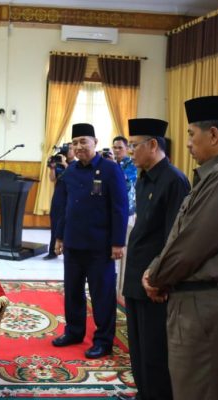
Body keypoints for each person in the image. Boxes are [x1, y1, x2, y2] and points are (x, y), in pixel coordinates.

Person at [143, 96, 218, 400]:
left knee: (199, 392)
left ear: (213, 134)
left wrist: (155, 277)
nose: (187, 144)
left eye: (191, 134)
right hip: (204, 304)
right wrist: (157, 270)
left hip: (210, 307)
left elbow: (191, 245)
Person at [123, 118, 190, 400]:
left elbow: (175, 239)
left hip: (155, 282)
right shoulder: (143, 177)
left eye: (134, 145)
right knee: (137, 348)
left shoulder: (174, 181)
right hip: (136, 277)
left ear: (153, 145)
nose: (130, 152)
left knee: (155, 352)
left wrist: (159, 278)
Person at [52, 123, 128, 359]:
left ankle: (103, 341)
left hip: (100, 246)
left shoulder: (110, 169)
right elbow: (63, 208)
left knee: (102, 295)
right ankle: (74, 332)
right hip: (73, 244)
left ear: (95, 142)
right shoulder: (70, 171)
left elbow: (120, 207)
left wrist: (118, 242)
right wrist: (59, 237)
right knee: (73, 292)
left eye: (83, 141)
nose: (79, 146)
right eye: (75, 143)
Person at [44, 143, 75, 260]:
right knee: (54, 225)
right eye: (68, 149)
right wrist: (52, 168)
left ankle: (68, 252)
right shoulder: (59, 163)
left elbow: (74, 176)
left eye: (71, 149)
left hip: (70, 198)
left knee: (68, 226)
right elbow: (52, 179)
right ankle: (52, 251)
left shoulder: (76, 165)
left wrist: (64, 164)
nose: (69, 151)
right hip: (58, 196)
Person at [112, 136, 138, 216]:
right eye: (115, 148)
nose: (117, 150)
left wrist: (112, 165)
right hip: (112, 207)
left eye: (120, 148)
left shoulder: (132, 163)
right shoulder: (110, 163)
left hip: (127, 208)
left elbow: (123, 179)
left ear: (127, 148)